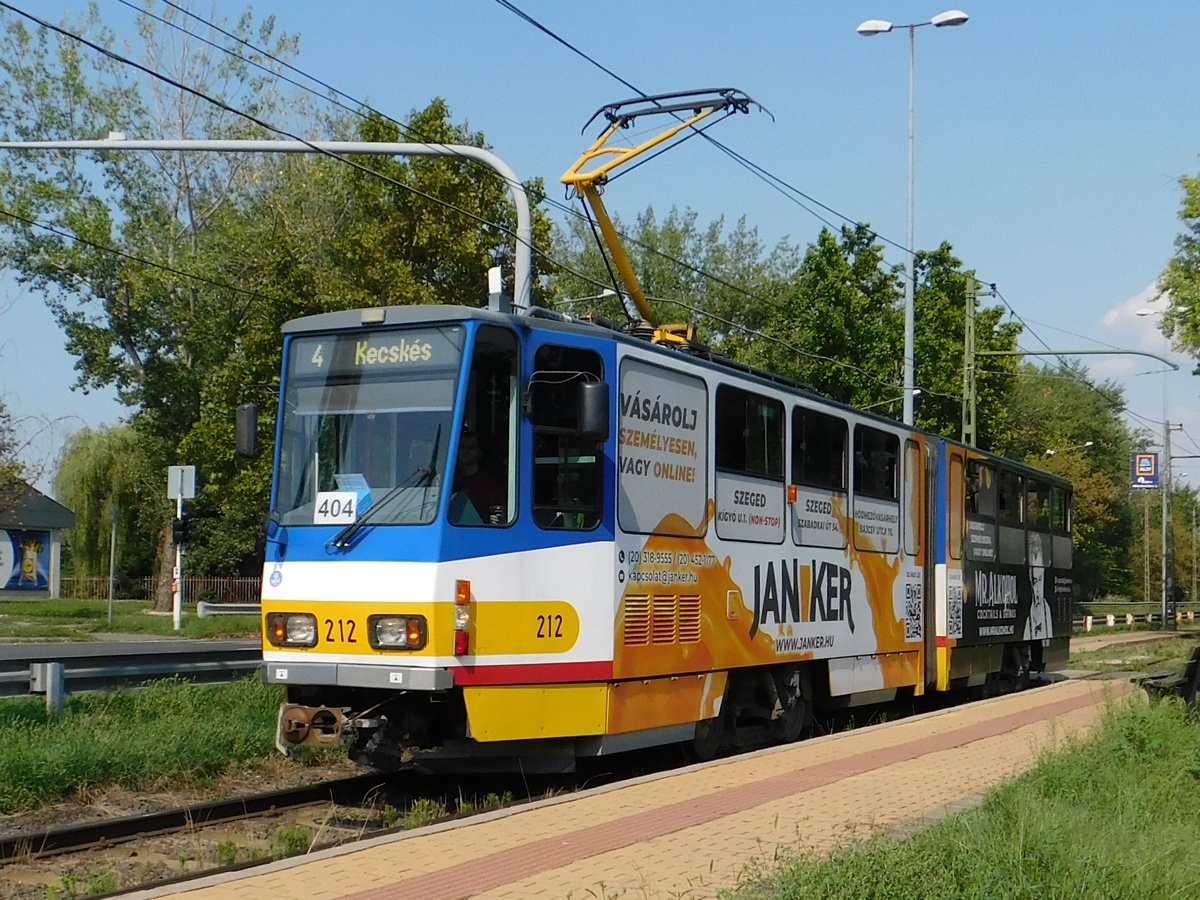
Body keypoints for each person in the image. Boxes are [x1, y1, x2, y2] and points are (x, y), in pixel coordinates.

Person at [450, 431, 505, 525]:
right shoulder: (450, 481)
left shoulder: (489, 483)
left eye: (471, 448)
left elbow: (498, 514)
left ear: (480, 453)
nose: (465, 451)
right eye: (462, 447)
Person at [1024, 535, 1053, 641]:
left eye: (1040, 580)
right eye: (1034, 581)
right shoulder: (1028, 622)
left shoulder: (1047, 613)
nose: (1037, 589)